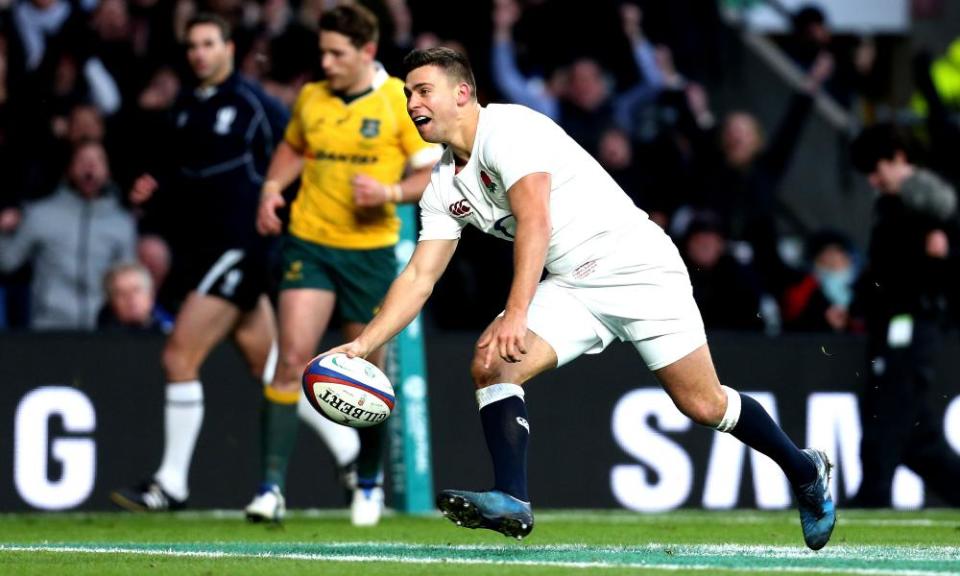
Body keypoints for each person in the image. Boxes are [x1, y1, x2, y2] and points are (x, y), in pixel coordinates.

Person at [325, 47, 836, 549]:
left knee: (702, 404)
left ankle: (804, 468)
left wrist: (518, 312)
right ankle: (512, 498)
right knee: (490, 362)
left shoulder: (510, 130)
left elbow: (536, 221)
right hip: (573, 284)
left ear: (462, 93)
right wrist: (364, 344)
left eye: (422, 91)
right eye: (408, 93)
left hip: (636, 266)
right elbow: (419, 276)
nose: (412, 103)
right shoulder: (440, 184)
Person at [249, 4, 440, 526]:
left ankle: (369, 483)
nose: (327, 62)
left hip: (370, 253)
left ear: (367, 52)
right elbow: (294, 149)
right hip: (309, 245)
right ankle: (270, 489)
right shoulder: (313, 97)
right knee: (290, 359)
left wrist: (390, 191)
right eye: (323, 52)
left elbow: (432, 174)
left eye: (337, 54)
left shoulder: (400, 101)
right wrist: (271, 188)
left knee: (367, 373)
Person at [110, 13, 289, 512]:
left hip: (242, 249)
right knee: (272, 368)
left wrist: (283, 212)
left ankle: (171, 484)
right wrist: (155, 188)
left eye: (209, 43)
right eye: (192, 45)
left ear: (229, 47)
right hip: (204, 253)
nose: (199, 53)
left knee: (178, 356)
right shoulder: (185, 107)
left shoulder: (257, 106)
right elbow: (183, 179)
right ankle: (351, 461)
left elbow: (298, 156)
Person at [849, 124, 960, 507]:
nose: (873, 180)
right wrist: (855, 303)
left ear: (898, 157)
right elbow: (883, 271)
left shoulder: (934, 200)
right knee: (917, 437)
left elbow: (932, 268)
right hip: (892, 323)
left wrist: (941, 259)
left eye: (876, 169)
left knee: (889, 408)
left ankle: (872, 493)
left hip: (914, 323)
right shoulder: (891, 204)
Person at [0, 140, 136, 330]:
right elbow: (7, 262)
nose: (90, 166)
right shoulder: (41, 214)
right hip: (48, 328)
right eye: (82, 160)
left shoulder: (122, 223)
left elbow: (128, 279)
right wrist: (3, 231)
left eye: (97, 160)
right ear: (69, 168)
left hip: (103, 332)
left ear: (108, 170)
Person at [97, 261, 174, 334]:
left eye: (136, 290)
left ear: (151, 295)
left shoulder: (172, 331)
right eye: (122, 293)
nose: (130, 299)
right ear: (111, 301)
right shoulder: (98, 338)